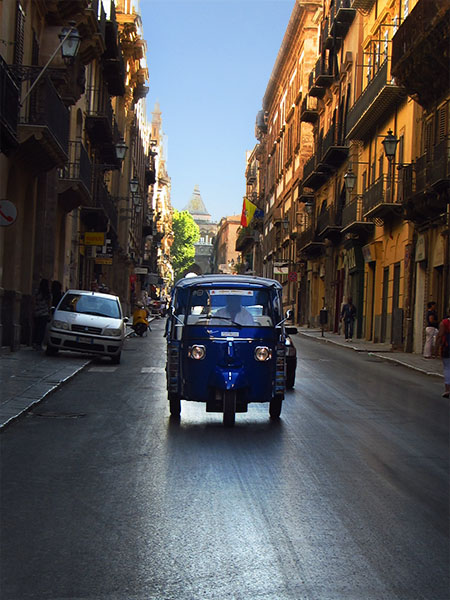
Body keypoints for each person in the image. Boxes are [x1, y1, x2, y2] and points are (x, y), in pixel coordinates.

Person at [32, 278, 51, 349]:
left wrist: (33, 310)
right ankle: (38, 343)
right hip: (44, 313)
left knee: (36, 328)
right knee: (41, 329)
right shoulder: (48, 294)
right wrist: (49, 313)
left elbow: (33, 301)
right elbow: (49, 304)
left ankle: (34, 342)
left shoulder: (37, 292)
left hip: (37, 312)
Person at [436, 309, 450, 398]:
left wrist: (436, 347)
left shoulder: (444, 323)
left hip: (448, 347)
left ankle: (448, 389)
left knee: (447, 368)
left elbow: (440, 335)